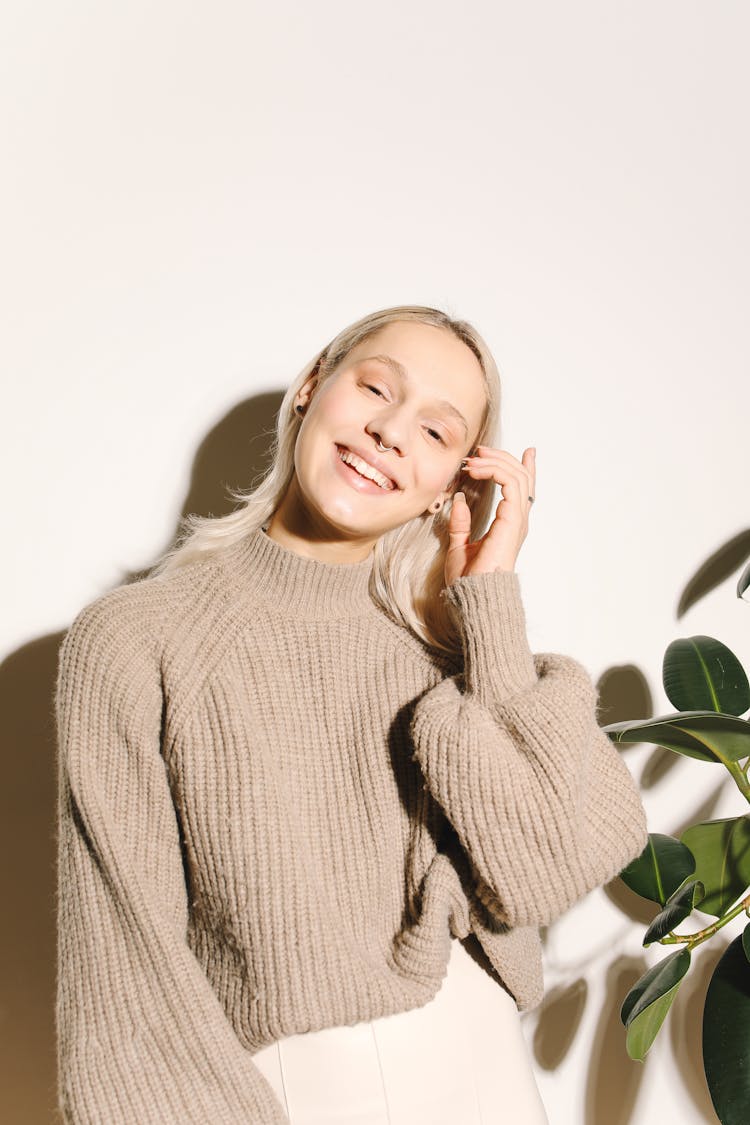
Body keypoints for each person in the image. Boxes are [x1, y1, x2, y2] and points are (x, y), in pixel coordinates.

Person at [54, 304, 649, 1124]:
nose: (391, 432)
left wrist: (488, 600)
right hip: (290, 1090)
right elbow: (126, 973)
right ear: (310, 387)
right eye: (376, 387)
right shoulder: (135, 640)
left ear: (454, 485)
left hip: (484, 1072)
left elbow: (545, 865)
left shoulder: (448, 649)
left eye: (437, 433)